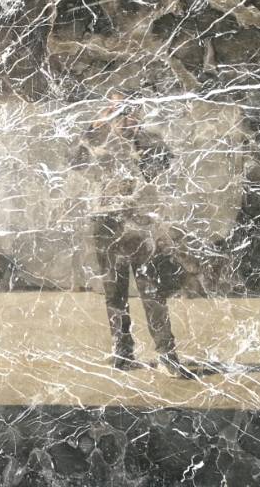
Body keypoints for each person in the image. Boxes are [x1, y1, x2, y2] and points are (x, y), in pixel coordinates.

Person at [74, 92, 196, 379]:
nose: (123, 118)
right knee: (114, 292)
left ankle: (167, 355)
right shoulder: (96, 140)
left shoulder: (150, 141)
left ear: (138, 113)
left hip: (139, 222)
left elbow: (162, 172)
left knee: (151, 290)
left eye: (129, 111)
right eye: (116, 111)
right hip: (105, 220)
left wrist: (137, 142)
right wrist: (94, 126)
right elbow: (75, 163)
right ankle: (123, 353)